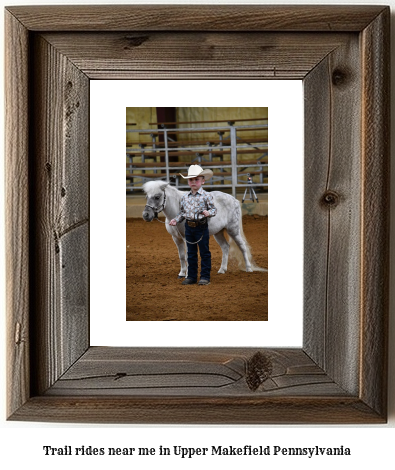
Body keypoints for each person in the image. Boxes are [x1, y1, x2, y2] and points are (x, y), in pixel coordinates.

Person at [169, 165, 217, 285]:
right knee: (191, 253)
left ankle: (205, 276)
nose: (193, 182)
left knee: (204, 252)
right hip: (188, 228)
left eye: (196, 179)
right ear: (188, 182)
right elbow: (183, 213)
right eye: (191, 180)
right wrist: (176, 220)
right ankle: (191, 276)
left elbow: (214, 210)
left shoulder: (207, 195)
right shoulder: (185, 197)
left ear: (203, 181)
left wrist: (209, 213)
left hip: (201, 227)